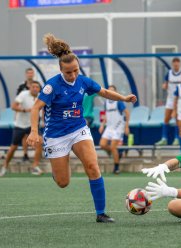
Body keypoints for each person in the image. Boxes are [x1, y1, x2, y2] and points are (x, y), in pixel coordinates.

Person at [27, 34, 137, 223]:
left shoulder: (83, 81)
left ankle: (101, 213)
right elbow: (36, 107)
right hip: (56, 135)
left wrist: (124, 98)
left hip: (79, 129)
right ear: (61, 70)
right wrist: (34, 131)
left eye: (76, 70)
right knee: (63, 182)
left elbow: (103, 91)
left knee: (93, 166)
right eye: (69, 72)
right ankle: (58, 168)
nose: (73, 75)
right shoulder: (51, 86)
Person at [0, 81, 43, 177]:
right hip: (20, 125)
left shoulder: (41, 96)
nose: (35, 88)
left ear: (39, 89)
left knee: (40, 142)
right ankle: (5, 166)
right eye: (33, 87)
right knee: (13, 147)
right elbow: (13, 106)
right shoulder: (23, 94)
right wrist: (24, 110)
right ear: (30, 88)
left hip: (33, 126)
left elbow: (43, 110)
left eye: (37, 87)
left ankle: (35, 166)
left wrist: (43, 121)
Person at [98, 85, 130, 175]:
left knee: (113, 146)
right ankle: (116, 153)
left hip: (118, 127)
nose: (110, 92)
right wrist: (102, 125)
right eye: (109, 91)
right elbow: (105, 115)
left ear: (115, 92)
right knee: (102, 145)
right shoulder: (106, 102)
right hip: (109, 127)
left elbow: (127, 113)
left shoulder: (119, 102)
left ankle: (116, 168)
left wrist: (126, 126)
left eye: (113, 91)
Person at [155, 58, 181, 146]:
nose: (176, 66)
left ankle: (177, 138)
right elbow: (165, 84)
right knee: (166, 118)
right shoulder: (169, 74)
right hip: (170, 99)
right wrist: (164, 86)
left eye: (177, 64)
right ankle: (164, 138)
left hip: (179, 100)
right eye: (174, 64)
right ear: (172, 65)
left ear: (179, 64)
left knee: (177, 119)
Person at [17, 68, 39, 161]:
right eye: (28, 73)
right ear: (26, 74)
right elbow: (17, 102)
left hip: (35, 116)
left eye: (31, 73)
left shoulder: (38, 84)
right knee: (25, 136)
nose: (30, 74)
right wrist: (24, 110)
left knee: (36, 137)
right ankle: (25, 154)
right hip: (24, 117)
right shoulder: (22, 87)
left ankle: (37, 158)